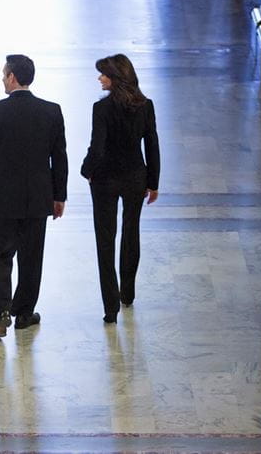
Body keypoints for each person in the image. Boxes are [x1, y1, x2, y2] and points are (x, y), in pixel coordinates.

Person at [0, 54, 68, 338]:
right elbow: (59, 158)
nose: (2, 78)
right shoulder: (52, 111)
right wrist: (58, 195)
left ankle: (1, 311)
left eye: (4, 74)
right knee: (31, 257)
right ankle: (24, 313)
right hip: (38, 199)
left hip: (1, 199)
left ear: (13, 77)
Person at [80, 53, 160, 324]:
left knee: (105, 240)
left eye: (103, 74)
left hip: (105, 179)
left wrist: (86, 170)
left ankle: (110, 306)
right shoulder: (145, 106)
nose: (99, 78)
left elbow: (97, 147)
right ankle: (128, 293)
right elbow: (152, 145)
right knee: (130, 232)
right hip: (136, 177)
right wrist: (153, 182)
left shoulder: (100, 109)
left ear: (115, 78)